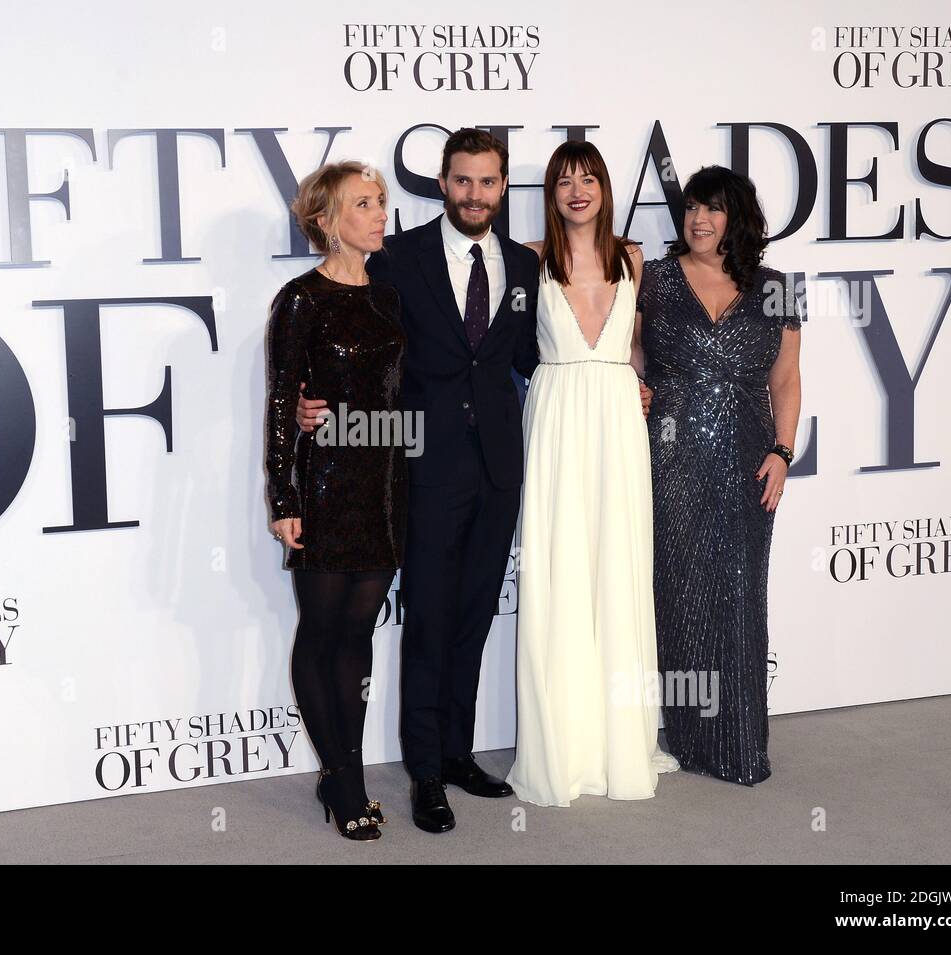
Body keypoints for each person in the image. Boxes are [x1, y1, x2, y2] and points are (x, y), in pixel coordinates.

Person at [298, 130, 653, 832]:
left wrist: (626, 385)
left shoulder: (525, 265)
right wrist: (317, 400)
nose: (475, 195)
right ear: (444, 182)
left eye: (489, 183)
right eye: (463, 182)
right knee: (428, 620)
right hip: (424, 466)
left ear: (501, 189)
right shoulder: (399, 257)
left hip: (503, 463)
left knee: (472, 618)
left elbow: (537, 352)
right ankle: (425, 771)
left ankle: (458, 752)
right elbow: (356, 336)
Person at [506, 140, 679, 806]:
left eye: (589, 178)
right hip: (554, 418)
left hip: (615, 418)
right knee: (560, 572)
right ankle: (564, 748)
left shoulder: (633, 257)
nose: (578, 190)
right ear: (551, 194)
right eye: (564, 180)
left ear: (605, 188)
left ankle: (618, 743)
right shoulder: (529, 259)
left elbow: (636, 346)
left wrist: (639, 383)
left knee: (617, 569)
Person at [636, 165, 802, 785]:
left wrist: (783, 452)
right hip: (669, 454)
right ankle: (689, 740)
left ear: (737, 217)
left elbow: (785, 378)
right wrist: (634, 385)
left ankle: (739, 744)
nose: (698, 221)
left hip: (748, 457)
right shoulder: (651, 279)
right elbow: (627, 353)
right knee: (676, 595)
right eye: (690, 210)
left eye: (712, 209)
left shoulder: (777, 286)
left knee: (738, 596)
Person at [264, 161, 404, 840]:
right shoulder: (301, 299)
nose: (380, 214)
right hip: (323, 485)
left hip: (383, 485)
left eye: (381, 202)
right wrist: (283, 492)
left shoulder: (392, 297)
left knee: (357, 635)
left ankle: (342, 768)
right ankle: (344, 780)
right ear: (327, 220)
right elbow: (281, 401)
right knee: (320, 633)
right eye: (364, 204)